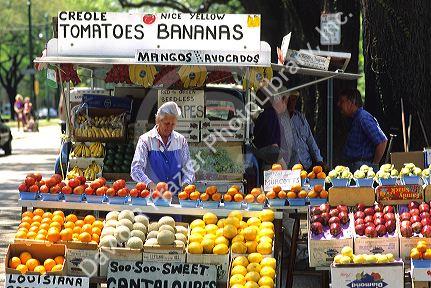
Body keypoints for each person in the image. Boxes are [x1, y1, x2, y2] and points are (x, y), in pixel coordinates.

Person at [131, 102, 195, 193]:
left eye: (173, 124)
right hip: (152, 198)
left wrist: (186, 185)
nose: (169, 127)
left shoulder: (181, 141)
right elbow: (136, 169)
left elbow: (189, 169)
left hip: (177, 198)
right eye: (167, 123)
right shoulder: (145, 140)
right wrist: (149, 184)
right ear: (157, 120)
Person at [337, 88, 387, 171]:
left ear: (351, 103)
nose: (338, 104)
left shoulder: (363, 118)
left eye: (342, 101)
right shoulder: (353, 118)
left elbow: (382, 141)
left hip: (361, 167)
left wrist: (374, 166)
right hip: (353, 166)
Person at [286, 90, 325, 170]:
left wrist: (319, 160)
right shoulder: (279, 120)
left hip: (307, 164)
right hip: (289, 168)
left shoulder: (301, 118)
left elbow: (310, 140)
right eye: (289, 100)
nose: (291, 103)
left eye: (294, 100)